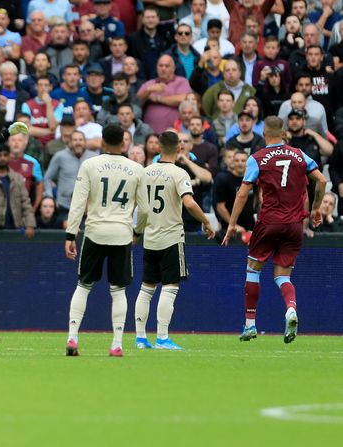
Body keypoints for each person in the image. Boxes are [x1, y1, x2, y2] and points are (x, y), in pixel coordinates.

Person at [222, 116, 327, 344]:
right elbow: (321, 180)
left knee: (253, 269)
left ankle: (250, 325)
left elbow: (242, 193)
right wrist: (316, 209)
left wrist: (231, 224)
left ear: (264, 133)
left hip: (269, 221)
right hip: (294, 224)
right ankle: (290, 310)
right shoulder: (299, 154)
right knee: (283, 276)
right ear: (283, 133)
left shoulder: (257, 158)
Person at [64, 123, 147, 358]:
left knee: (83, 285)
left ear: (102, 141)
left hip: (94, 232)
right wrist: (137, 232)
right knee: (118, 290)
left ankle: (72, 337)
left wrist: (71, 234)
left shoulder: (90, 165)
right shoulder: (136, 169)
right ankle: (117, 343)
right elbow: (146, 209)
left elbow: (78, 202)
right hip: (121, 234)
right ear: (124, 142)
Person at [133, 131, 215, 350]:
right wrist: (206, 221)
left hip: (150, 237)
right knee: (170, 287)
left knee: (146, 288)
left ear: (158, 147)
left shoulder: (145, 172)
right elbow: (189, 203)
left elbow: (140, 208)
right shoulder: (179, 173)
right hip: (170, 237)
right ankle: (162, 337)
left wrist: (137, 232)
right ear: (179, 149)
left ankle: (141, 338)